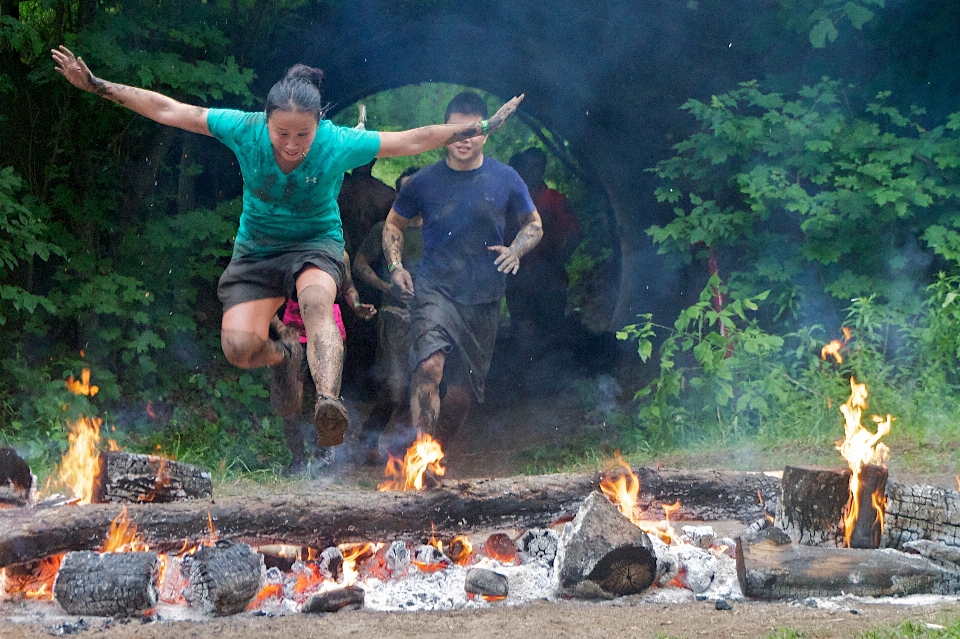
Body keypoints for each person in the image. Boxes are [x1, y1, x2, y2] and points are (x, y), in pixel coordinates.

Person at [52, 46, 524, 448]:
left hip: (316, 242)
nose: (293, 144)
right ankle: (287, 356)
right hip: (257, 249)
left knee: (318, 300)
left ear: (319, 125)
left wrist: (474, 128)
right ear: (266, 122)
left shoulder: (337, 142)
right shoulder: (243, 129)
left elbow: (412, 139)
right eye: (283, 134)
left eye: (304, 134)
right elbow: (172, 110)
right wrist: (97, 85)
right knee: (239, 348)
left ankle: (327, 401)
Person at [382, 92, 543, 448]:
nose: (464, 137)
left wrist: (516, 250)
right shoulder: (423, 181)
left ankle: (437, 452)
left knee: (458, 396)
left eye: (472, 130)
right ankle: (420, 458)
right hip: (434, 288)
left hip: (483, 296)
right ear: (443, 133)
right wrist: (396, 266)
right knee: (428, 368)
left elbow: (534, 224)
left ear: (485, 134)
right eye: (456, 129)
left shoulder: (506, 178)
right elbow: (393, 225)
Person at [273, 253, 376, 476]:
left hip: (329, 334)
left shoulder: (339, 254)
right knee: (290, 400)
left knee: (326, 398)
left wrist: (357, 306)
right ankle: (298, 459)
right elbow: (264, 297)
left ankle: (326, 459)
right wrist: (280, 328)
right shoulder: (287, 250)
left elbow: (348, 288)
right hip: (294, 335)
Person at [352, 167, 422, 461]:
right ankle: (369, 438)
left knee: (422, 383)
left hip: (429, 316)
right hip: (394, 315)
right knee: (394, 387)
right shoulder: (385, 229)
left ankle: (407, 448)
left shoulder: (436, 230)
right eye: (404, 191)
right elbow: (359, 264)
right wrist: (385, 286)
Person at [506, 147, 582, 361]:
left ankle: (554, 372)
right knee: (522, 325)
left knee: (551, 326)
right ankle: (525, 375)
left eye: (536, 166)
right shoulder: (509, 202)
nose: (531, 171)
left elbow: (575, 232)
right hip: (517, 273)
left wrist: (559, 260)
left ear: (542, 169)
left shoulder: (554, 199)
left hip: (549, 273)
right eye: (527, 167)